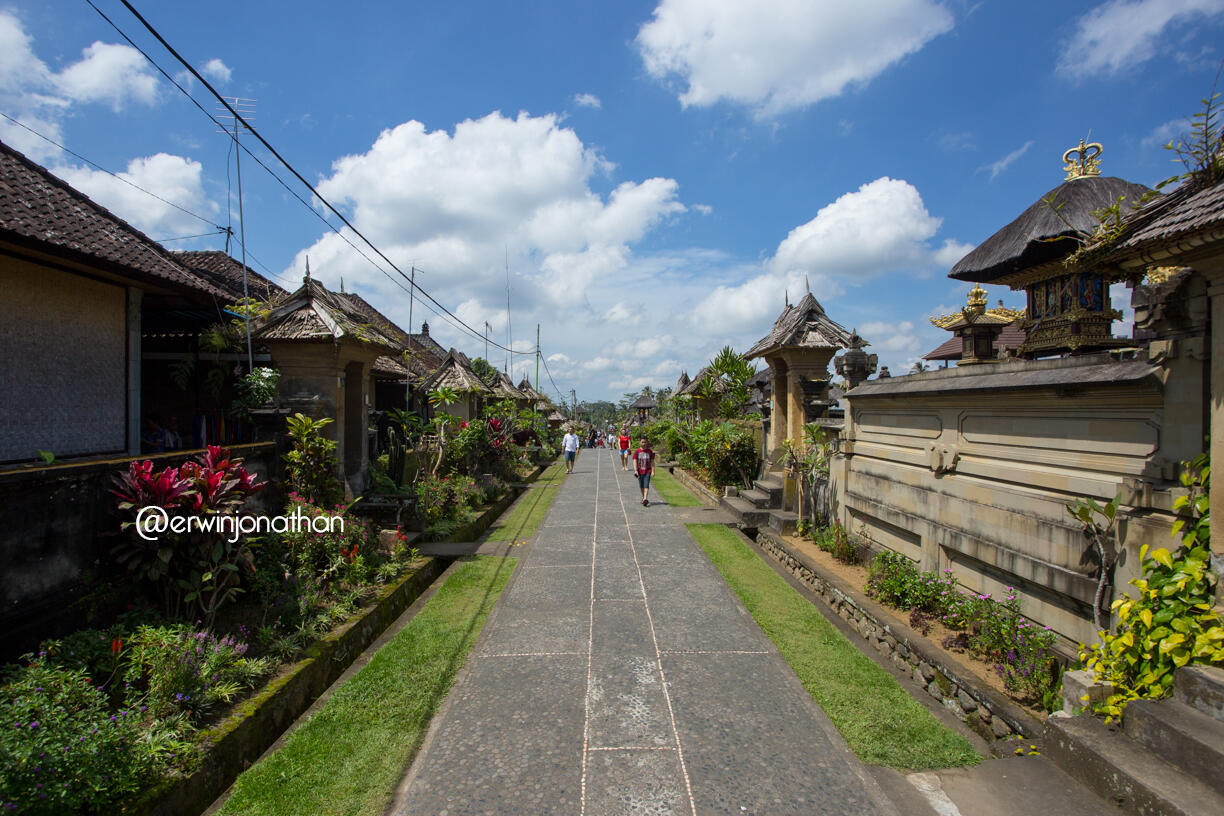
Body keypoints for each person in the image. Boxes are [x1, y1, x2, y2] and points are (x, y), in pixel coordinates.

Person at [633, 436, 655, 506]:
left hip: (647, 471)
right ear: (640, 442)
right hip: (640, 471)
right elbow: (634, 461)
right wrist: (635, 470)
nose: (644, 443)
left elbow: (652, 462)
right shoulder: (637, 451)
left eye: (645, 442)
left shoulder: (649, 451)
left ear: (647, 442)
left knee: (646, 485)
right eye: (642, 442)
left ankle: (645, 499)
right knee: (641, 486)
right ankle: (643, 498)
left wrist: (653, 471)